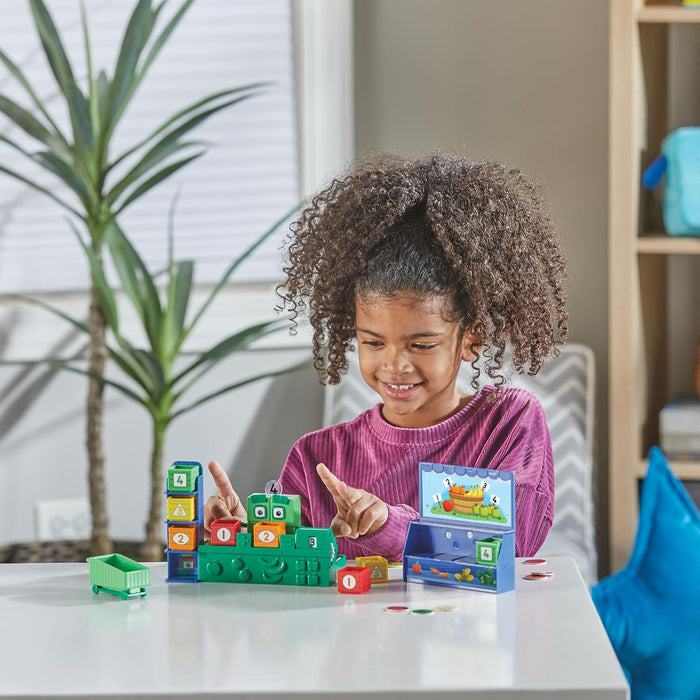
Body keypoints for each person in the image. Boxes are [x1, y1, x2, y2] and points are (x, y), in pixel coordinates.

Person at [204, 153, 568, 562]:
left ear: (472, 339)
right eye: (374, 343)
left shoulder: (508, 423)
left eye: (421, 345)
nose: (394, 365)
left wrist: (388, 526)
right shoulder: (317, 458)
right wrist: (238, 536)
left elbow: (509, 545)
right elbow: (285, 565)